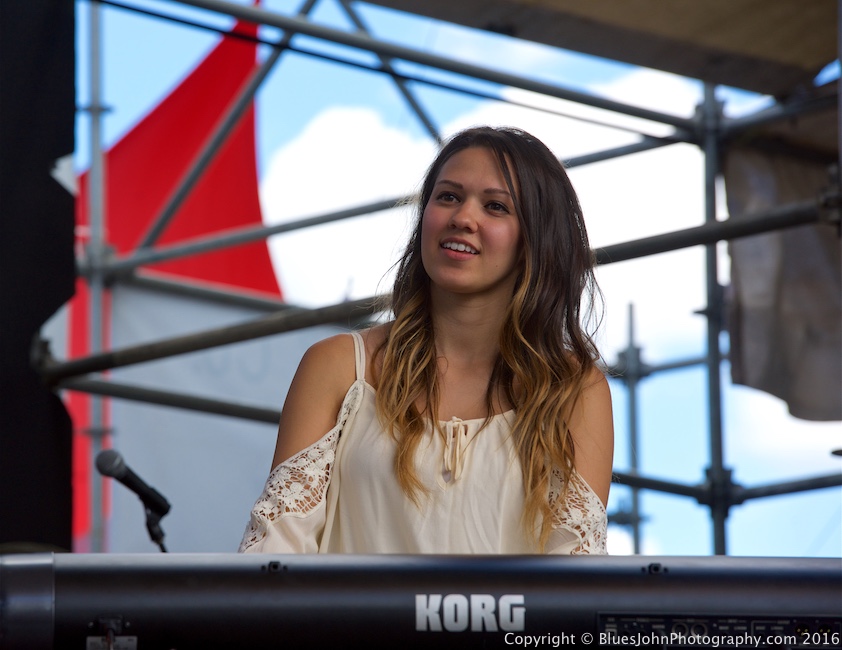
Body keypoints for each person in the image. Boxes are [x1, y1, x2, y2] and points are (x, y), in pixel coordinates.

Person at [239, 125, 614, 555]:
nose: (462, 217)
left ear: (537, 239)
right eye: (448, 196)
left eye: (495, 206)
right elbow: (274, 555)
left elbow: (576, 581)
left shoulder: (574, 390)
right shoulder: (339, 366)